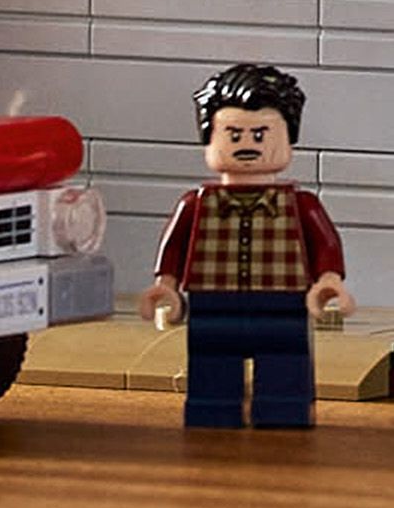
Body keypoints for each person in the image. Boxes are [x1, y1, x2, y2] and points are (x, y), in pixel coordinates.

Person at [139, 64, 354, 428]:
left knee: (285, 368)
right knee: (212, 368)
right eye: (234, 135)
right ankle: (213, 408)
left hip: (283, 305)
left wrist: (329, 280)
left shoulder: (301, 205)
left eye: (260, 134)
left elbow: (325, 243)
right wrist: (166, 285)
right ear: (210, 139)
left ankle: (283, 409)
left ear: (288, 139)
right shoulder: (195, 204)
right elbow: (174, 245)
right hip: (212, 305)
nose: (248, 145)